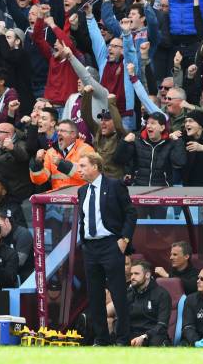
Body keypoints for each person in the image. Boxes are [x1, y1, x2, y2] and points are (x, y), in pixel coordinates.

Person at [77, 152, 137, 346]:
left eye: (83, 166)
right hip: (90, 248)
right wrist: (83, 241)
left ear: (95, 166)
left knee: (118, 294)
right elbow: (84, 218)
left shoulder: (114, 185)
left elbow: (130, 213)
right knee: (94, 296)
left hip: (111, 244)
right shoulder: (82, 191)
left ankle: (122, 339)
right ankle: (101, 339)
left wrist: (124, 240)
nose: (80, 170)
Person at [114, 112, 186, 187]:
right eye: (147, 123)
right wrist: (124, 142)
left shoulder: (170, 143)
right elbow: (118, 160)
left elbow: (180, 162)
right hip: (138, 188)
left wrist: (178, 141)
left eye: (153, 123)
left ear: (162, 128)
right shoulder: (136, 140)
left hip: (163, 189)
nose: (148, 126)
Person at [29, 120, 94, 190]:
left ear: (73, 134)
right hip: (58, 197)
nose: (59, 133)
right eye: (58, 131)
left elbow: (89, 175)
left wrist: (62, 164)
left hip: (80, 196)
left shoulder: (86, 149)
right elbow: (39, 180)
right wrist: (37, 162)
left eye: (62, 131)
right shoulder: (51, 152)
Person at [127, 260, 172, 346]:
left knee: (156, 340)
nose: (132, 277)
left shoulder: (162, 294)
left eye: (136, 274)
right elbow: (121, 319)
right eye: (131, 274)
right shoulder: (128, 294)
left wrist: (144, 336)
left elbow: (162, 325)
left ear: (147, 275)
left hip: (152, 335)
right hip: (132, 334)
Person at [0, 212, 34, 282]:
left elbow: (19, 261)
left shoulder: (23, 234)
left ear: (7, 221)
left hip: (24, 274)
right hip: (4, 271)